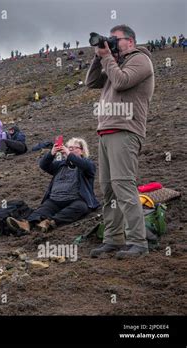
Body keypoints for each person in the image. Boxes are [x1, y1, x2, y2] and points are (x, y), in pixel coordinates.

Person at [85, 24, 154, 259]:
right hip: (105, 132)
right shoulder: (113, 62)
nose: (111, 43)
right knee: (108, 190)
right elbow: (91, 82)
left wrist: (108, 59)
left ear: (131, 41)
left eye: (116, 40)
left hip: (125, 129)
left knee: (123, 185)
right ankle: (113, 239)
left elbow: (122, 82)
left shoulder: (140, 60)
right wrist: (99, 57)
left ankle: (138, 242)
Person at [7, 138, 99, 233]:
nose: (70, 150)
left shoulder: (88, 165)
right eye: (68, 147)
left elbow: (83, 164)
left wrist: (68, 153)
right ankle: (26, 224)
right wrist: (52, 153)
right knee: (42, 209)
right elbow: (43, 165)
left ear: (82, 151)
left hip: (76, 199)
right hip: (55, 199)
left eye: (74, 148)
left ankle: (50, 223)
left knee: (81, 208)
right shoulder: (60, 164)